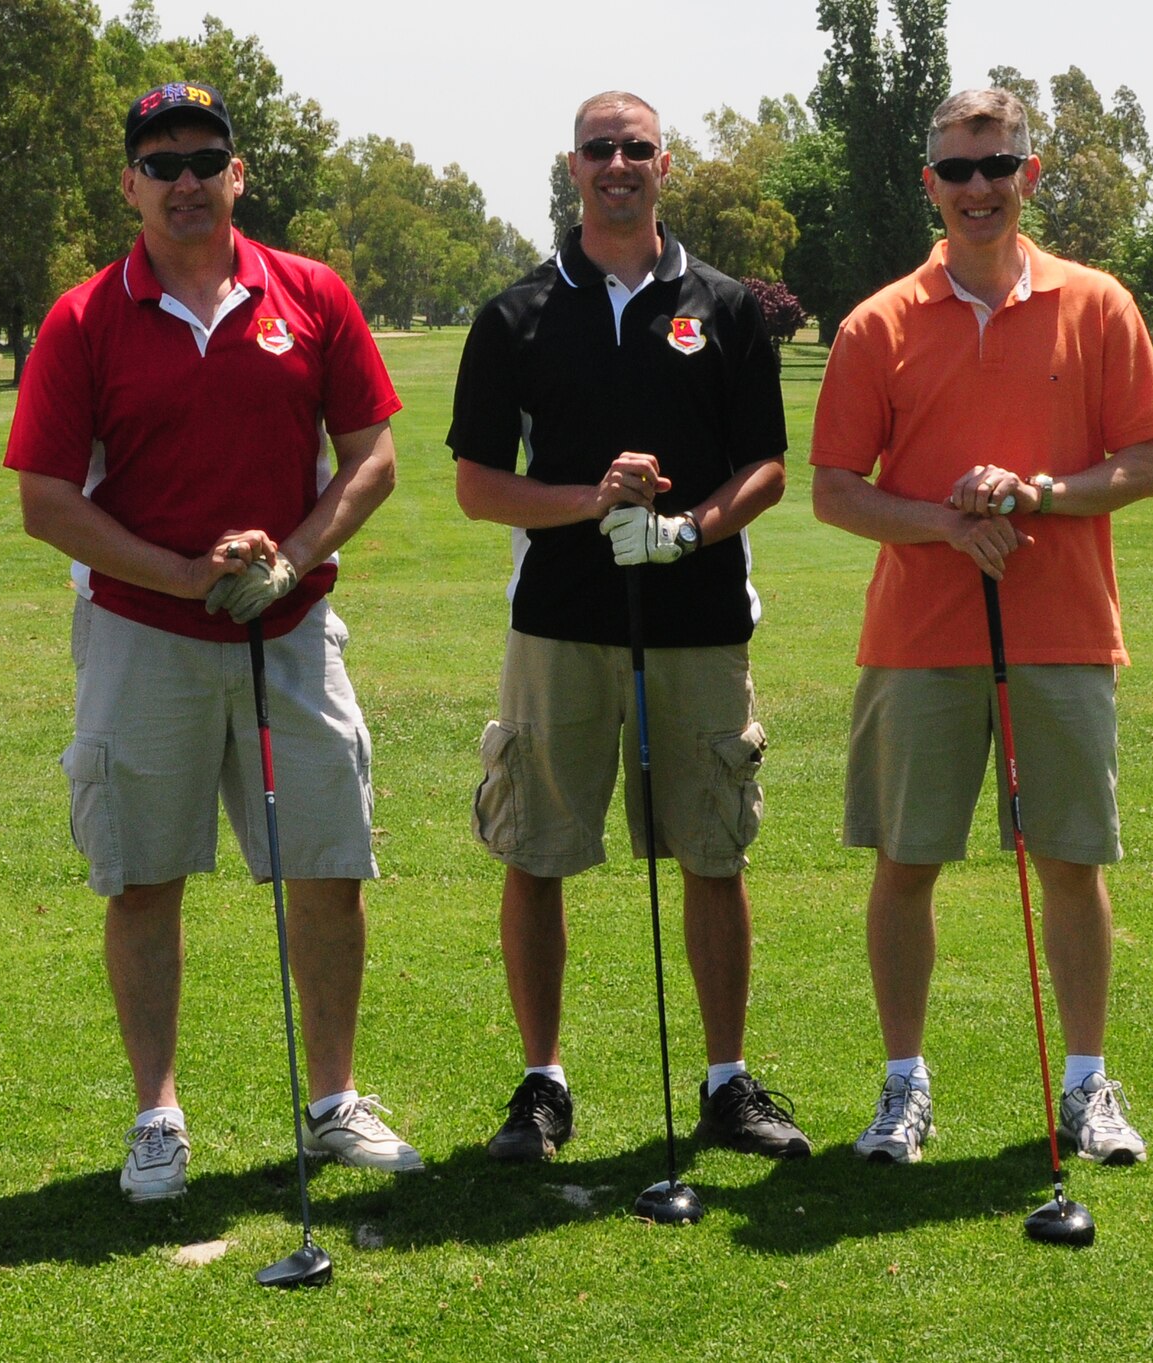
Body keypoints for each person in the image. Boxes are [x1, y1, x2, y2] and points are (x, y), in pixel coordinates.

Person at [6, 81, 419, 1202]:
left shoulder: (310, 293)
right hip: (141, 635)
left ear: (238, 173)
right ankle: (157, 1116)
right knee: (141, 877)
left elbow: (371, 457)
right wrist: (185, 575)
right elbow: (46, 500)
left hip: (288, 632)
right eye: (161, 159)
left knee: (327, 867)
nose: (184, 178)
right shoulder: (83, 316)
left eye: (205, 157)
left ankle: (331, 1101)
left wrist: (284, 557)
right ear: (131, 181)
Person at [809, 87, 1153, 1167]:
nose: (977, 189)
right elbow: (832, 489)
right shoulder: (876, 323)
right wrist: (944, 524)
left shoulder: (1097, 303)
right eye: (956, 170)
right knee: (906, 862)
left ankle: (1085, 1086)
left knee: (1068, 860)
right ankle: (901, 1087)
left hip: (1060, 631)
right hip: (917, 638)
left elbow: (1141, 465)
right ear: (928, 182)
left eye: (995, 165)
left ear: (1028, 174)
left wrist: (1038, 493)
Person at [447, 90, 804, 1164]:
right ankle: (542, 1084)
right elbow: (474, 484)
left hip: (696, 620)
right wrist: (590, 503)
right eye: (598, 148)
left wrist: (690, 529)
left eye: (634, 147)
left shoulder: (726, 305)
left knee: (709, 850)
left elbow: (765, 466)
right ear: (571, 166)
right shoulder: (515, 313)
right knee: (537, 852)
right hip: (556, 624)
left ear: (663, 164)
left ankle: (726, 1081)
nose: (616, 164)